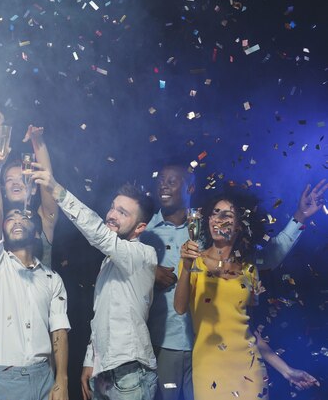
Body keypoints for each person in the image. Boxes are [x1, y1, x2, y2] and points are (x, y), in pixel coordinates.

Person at [140, 166, 327, 400]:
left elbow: (246, 328)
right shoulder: (178, 250)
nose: (218, 219)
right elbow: (177, 306)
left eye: (227, 215)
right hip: (192, 359)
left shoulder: (248, 269)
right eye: (215, 213)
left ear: (239, 225)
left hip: (247, 369)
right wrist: (171, 268)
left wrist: (286, 370)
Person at [31, 164, 158, 400]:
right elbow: (100, 315)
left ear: (140, 227)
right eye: (112, 208)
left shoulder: (143, 255)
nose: (112, 215)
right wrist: (91, 361)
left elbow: (98, 233)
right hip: (104, 373)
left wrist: (56, 190)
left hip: (131, 373)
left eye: (123, 212)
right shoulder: (108, 262)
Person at [0, 144, 70, 400]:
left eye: (21, 179)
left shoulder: (52, 276)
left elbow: (59, 329)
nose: (17, 220)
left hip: (43, 369)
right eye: (9, 181)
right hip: (6, 371)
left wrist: (39, 145)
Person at [0, 105, 58, 268]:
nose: (16, 182)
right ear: (3, 189)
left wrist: (37, 141)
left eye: (22, 178)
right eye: (9, 180)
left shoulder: (44, 221)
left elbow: (47, 179)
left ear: (33, 188)